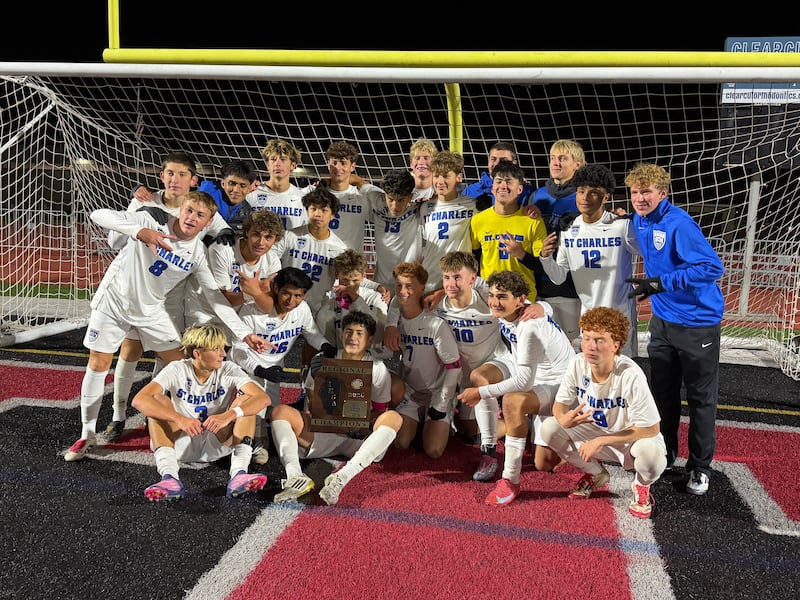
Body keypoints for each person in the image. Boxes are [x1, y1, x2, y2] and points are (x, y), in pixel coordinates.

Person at [63, 191, 268, 462]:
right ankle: (87, 434)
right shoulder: (152, 218)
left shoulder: (197, 254)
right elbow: (97, 215)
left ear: (208, 223)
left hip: (151, 311)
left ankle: (199, 427)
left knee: (185, 361)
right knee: (99, 363)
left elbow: (215, 298)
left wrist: (244, 334)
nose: (192, 218)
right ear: (180, 210)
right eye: (189, 211)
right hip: (113, 304)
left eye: (200, 215)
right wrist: (139, 232)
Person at [103, 151, 236, 442]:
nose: (175, 180)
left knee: (171, 359)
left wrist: (224, 236)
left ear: (193, 181)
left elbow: (220, 228)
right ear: (161, 176)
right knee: (129, 352)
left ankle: (158, 416)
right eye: (170, 174)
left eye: (182, 174)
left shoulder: (196, 208)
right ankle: (118, 416)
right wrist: (137, 209)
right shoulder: (146, 203)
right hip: (139, 290)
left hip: (175, 296)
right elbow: (115, 240)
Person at [623, 162, 724, 496]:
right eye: (635, 192)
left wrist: (661, 283)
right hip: (662, 323)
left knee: (700, 399)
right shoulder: (638, 218)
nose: (639, 198)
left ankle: (699, 467)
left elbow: (712, 267)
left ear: (662, 193)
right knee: (662, 395)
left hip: (697, 323)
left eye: (646, 192)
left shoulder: (679, 224)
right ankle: (665, 454)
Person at [457, 270, 574, 505]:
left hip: (562, 386)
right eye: (491, 295)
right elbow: (478, 283)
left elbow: (523, 382)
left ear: (520, 300)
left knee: (512, 402)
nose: (493, 302)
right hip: (540, 377)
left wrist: (479, 393)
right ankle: (493, 446)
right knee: (542, 463)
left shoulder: (529, 327)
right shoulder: (516, 307)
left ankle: (510, 479)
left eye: (501, 296)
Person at [540, 307, 667, 519]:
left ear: (616, 345)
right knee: (549, 428)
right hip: (595, 431)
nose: (590, 346)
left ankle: (641, 485)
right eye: (587, 338)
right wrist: (564, 418)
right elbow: (559, 406)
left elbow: (652, 427)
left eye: (599, 340)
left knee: (652, 459)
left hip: (629, 438)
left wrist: (601, 441)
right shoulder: (577, 363)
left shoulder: (630, 374)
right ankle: (596, 474)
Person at [130, 323, 270, 501]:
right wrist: (179, 419)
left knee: (246, 400)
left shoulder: (228, 369)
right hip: (181, 442)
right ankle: (169, 477)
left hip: (219, 441)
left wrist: (229, 415)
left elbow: (263, 398)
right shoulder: (177, 369)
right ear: (197, 353)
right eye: (216, 348)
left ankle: (239, 473)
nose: (223, 354)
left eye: (223, 348)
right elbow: (139, 399)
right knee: (157, 400)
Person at [269, 311, 394, 505]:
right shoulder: (323, 359)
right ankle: (294, 476)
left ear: (369, 340)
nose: (352, 337)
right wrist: (319, 376)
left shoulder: (377, 368)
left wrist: (360, 424)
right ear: (342, 334)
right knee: (280, 412)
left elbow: (380, 410)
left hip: (356, 437)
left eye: (359, 333)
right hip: (324, 430)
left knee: (393, 418)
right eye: (348, 331)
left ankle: (342, 477)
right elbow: (310, 402)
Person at [536, 164, 641, 357]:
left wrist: (638, 220)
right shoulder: (569, 230)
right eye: (581, 191)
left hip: (620, 316)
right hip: (589, 317)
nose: (585, 197)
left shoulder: (622, 226)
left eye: (593, 192)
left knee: (623, 373)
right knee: (594, 375)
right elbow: (558, 277)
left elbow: (648, 253)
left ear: (606, 197)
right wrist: (545, 258)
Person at [392, 262, 462, 459]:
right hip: (412, 391)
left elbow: (454, 366)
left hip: (436, 392)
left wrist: (441, 402)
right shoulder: (393, 320)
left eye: (409, 286)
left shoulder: (435, 323)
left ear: (422, 288)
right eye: (399, 285)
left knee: (434, 450)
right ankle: (419, 419)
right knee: (401, 443)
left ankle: (444, 414)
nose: (403, 291)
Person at [184, 208, 285, 333]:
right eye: (256, 234)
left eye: (268, 237)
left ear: (276, 239)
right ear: (247, 232)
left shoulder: (273, 261)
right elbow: (222, 299)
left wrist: (257, 294)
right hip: (204, 312)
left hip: (235, 316)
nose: (261, 242)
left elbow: (269, 308)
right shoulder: (222, 250)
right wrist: (254, 292)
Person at [527, 139, 585, 344]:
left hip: (570, 286)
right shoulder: (537, 195)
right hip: (539, 283)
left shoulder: (584, 197)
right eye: (553, 158)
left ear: (577, 164)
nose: (555, 163)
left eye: (562, 158)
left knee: (567, 346)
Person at [469, 159, 547, 298]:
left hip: (522, 299)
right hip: (489, 298)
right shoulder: (478, 220)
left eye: (509, 181)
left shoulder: (533, 221)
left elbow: (543, 267)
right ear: (492, 188)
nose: (503, 186)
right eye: (498, 181)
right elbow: (473, 258)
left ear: (520, 189)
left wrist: (521, 254)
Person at [269, 186, 348, 315]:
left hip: (318, 309)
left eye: (324, 210)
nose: (318, 214)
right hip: (286, 305)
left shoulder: (340, 249)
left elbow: (350, 280)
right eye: (313, 209)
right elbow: (269, 260)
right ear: (307, 211)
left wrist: (375, 287)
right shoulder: (289, 236)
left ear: (332, 215)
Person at [420, 150, 477, 292]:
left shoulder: (472, 205)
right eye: (436, 176)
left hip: (458, 282)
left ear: (459, 177)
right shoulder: (425, 208)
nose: (440, 181)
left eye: (446, 176)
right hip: (430, 280)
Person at [319, 140, 385, 253]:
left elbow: (384, 202)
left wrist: (361, 182)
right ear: (328, 165)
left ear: (352, 166)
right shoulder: (315, 194)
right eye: (334, 163)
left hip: (349, 263)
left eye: (343, 163)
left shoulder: (361, 197)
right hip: (321, 258)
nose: (338, 168)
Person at [369, 168, 423, 290]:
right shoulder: (375, 200)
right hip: (381, 283)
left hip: (408, 283)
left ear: (410, 197)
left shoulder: (420, 208)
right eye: (391, 199)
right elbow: (358, 182)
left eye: (401, 200)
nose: (395, 206)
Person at [247, 139, 308, 230]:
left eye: (283, 159)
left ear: (293, 165)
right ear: (267, 165)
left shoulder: (302, 199)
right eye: (273, 159)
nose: (277, 164)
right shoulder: (251, 193)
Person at [463, 141, 534, 211]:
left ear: (514, 163)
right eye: (493, 159)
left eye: (503, 160)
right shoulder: (471, 191)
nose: (497, 163)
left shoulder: (527, 192)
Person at [197, 159, 259, 235]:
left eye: (243, 186)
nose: (236, 190)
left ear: (249, 188)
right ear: (223, 183)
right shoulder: (207, 192)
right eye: (232, 183)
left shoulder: (246, 212)